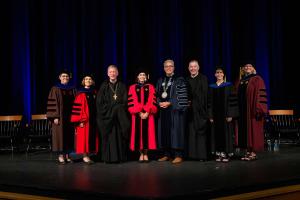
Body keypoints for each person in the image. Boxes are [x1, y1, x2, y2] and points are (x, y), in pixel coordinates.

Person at [156, 59, 189, 164]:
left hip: (175, 111)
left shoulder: (179, 80)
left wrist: (169, 102)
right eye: (166, 66)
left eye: (171, 66)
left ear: (174, 67)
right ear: (164, 68)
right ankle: (167, 154)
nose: (168, 68)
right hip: (163, 111)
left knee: (176, 132)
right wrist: (159, 103)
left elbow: (182, 96)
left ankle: (178, 155)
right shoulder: (160, 80)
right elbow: (156, 95)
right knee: (164, 131)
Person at [96, 65, 130, 163]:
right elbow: (99, 103)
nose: (112, 73)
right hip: (108, 118)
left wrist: (118, 109)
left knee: (119, 137)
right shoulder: (103, 86)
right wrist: (113, 109)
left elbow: (125, 101)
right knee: (109, 137)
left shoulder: (122, 86)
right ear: (107, 74)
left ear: (117, 73)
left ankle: (120, 157)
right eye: (110, 72)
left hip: (119, 118)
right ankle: (108, 158)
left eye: (114, 71)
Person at [237, 61, 268, 161]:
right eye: (246, 66)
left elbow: (260, 95)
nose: (247, 68)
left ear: (253, 68)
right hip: (242, 111)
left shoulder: (257, 79)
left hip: (252, 111)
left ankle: (253, 153)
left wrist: (259, 108)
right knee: (244, 131)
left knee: (253, 131)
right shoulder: (240, 81)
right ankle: (247, 152)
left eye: (250, 66)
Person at [208, 66, 239, 162]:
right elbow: (209, 102)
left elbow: (232, 101)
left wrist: (230, 114)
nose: (219, 74)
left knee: (226, 133)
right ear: (215, 74)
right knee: (216, 134)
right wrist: (210, 115)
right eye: (217, 72)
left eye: (221, 72)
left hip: (225, 115)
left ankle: (226, 153)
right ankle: (218, 153)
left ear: (223, 74)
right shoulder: (211, 87)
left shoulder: (229, 86)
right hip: (215, 115)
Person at [128, 69, 158, 163]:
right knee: (138, 135)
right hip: (137, 115)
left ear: (146, 77)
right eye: (140, 75)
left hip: (148, 116)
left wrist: (147, 112)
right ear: (137, 77)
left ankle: (146, 154)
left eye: (143, 75)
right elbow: (132, 101)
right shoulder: (132, 87)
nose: (142, 76)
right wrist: (140, 112)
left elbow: (152, 100)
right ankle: (141, 154)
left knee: (148, 135)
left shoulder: (151, 87)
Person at [46, 69, 76, 164]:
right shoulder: (55, 89)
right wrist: (55, 116)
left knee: (69, 136)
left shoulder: (72, 89)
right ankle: (60, 156)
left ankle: (67, 156)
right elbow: (52, 103)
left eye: (67, 76)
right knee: (60, 136)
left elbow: (76, 104)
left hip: (70, 117)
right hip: (60, 117)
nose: (65, 78)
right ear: (59, 77)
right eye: (63, 76)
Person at [71, 74, 98, 164]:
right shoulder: (80, 93)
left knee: (91, 138)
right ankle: (85, 156)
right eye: (86, 79)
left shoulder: (95, 92)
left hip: (94, 120)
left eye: (90, 79)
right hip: (84, 120)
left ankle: (89, 155)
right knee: (84, 138)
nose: (88, 80)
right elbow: (77, 109)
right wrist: (80, 120)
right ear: (83, 81)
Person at [186, 60, 209, 161]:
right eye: (191, 67)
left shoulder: (203, 79)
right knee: (191, 132)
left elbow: (206, 95)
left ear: (198, 68)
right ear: (188, 68)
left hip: (201, 111)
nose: (193, 68)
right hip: (190, 111)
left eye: (195, 66)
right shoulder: (186, 80)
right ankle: (192, 155)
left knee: (201, 134)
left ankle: (202, 156)